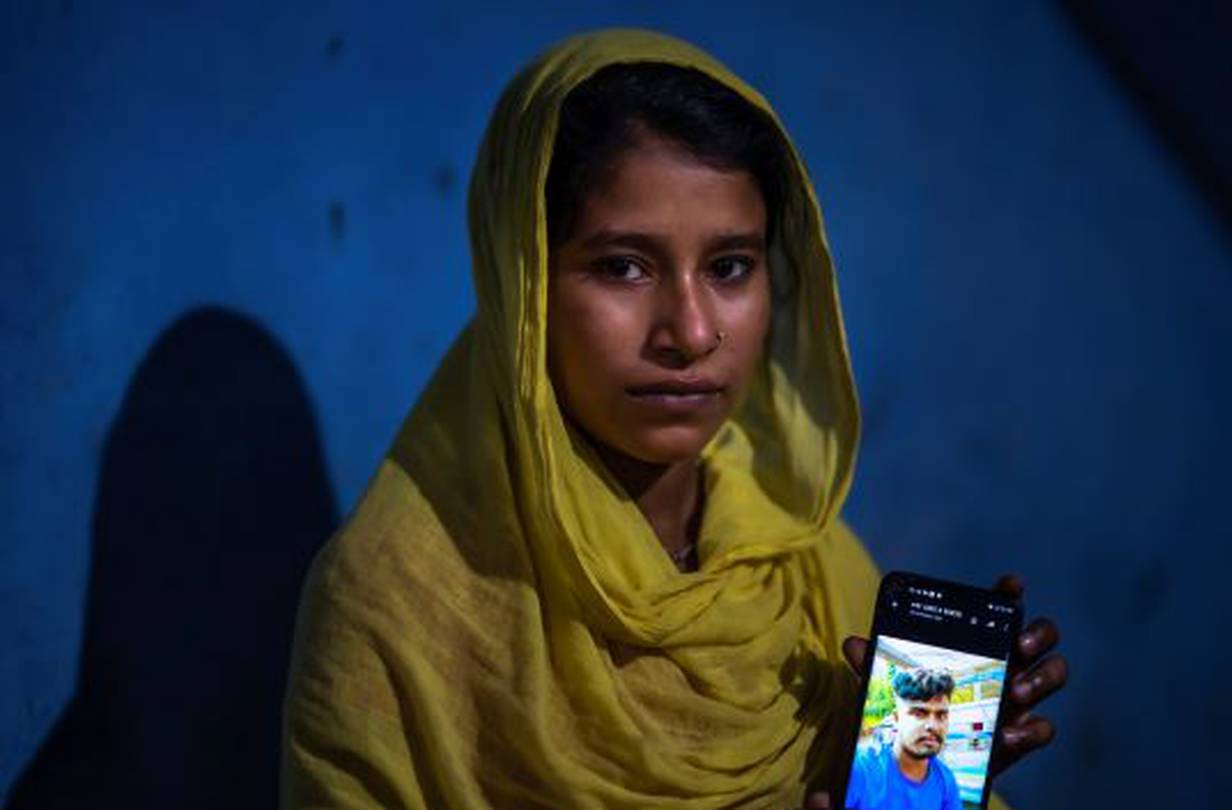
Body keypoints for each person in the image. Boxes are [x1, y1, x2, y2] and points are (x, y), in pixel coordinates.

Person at [280, 29, 1066, 809]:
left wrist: (925, 784)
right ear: (523, 283)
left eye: (729, 268)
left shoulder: (801, 558)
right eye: (623, 266)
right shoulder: (395, 605)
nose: (691, 334)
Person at [845, 669, 962, 810]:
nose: (933, 726)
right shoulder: (859, 768)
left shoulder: (946, 780)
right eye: (919, 713)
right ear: (896, 719)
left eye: (941, 715)